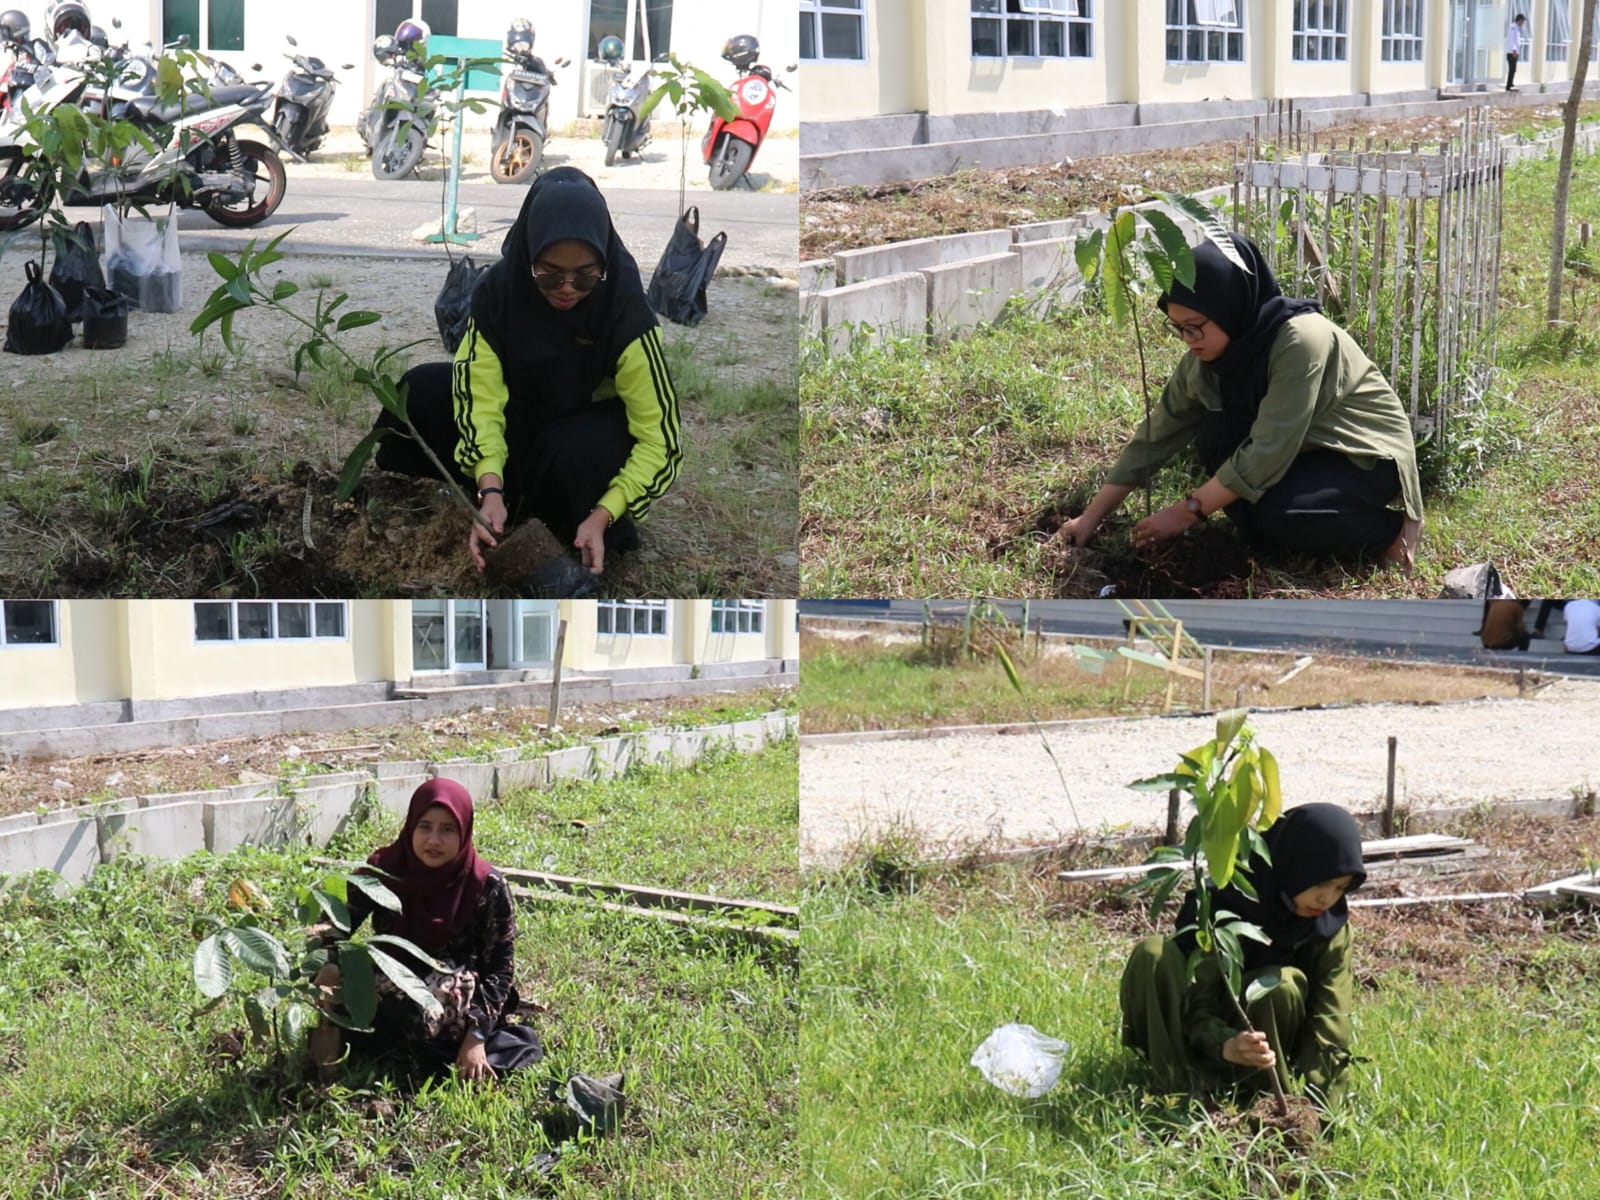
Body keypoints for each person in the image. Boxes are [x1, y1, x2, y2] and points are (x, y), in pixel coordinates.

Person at [372, 166, 681, 584]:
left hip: (572, 444)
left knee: (581, 448)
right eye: (549, 274)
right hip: (515, 428)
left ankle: (582, 526)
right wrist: (490, 488)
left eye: (586, 275)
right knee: (420, 390)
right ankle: (495, 504)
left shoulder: (625, 310)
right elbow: (480, 400)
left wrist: (605, 510)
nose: (568, 288)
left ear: (604, 262)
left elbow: (659, 440)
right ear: (527, 255)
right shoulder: (497, 295)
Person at [1061, 233, 1424, 571]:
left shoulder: (1301, 342)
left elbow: (1268, 449)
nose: (1187, 339)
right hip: (1301, 450)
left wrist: (1188, 511)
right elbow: (1156, 436)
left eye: (1194, 326)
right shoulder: (1207, 360)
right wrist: (1090, 518)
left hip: (1360, 454)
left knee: (1282, 513)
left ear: (1229, 308)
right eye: (1178, 328)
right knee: (1215, 440)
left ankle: (1391, 534)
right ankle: (1283, 529)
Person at [1119, 803, 1367, 1108]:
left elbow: (1331, 1022)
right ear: (1291, 863)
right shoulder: (1225, 904)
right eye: (1319, 882)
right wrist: (1226, 1045)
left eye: (1340, 887)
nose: (1326, 899)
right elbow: (1198, 1003)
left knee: (1280, 984)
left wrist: (1321, 1112)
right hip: (1195, 1030)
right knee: (1153, 953)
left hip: (1266, 1050)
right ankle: (1176, 1095)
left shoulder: (1330, 930)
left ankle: (1265, 1101)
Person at [308, 779, 539, 1080]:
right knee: (357, 990)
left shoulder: (486, 885)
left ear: (464, 831)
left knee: (436, 1020)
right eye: (425, 826)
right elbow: (334, 926)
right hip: (387, 980)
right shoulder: (382, 871)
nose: (434, 840)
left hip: (452, 993)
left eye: (447, 829)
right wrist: (330, 965)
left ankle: (422, 1048)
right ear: (410, 826)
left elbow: (500, 968)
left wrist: (476, 1037)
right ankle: (350, 1035)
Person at [1506, 14, 1527, 92]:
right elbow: (1511, 40)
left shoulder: (1517, 28)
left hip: (1515, 52)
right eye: (1522, 21)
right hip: (1511, 52)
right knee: (1512, 69)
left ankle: (1511, 84)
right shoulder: (1513, 27)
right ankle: (1509, 85)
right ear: (1519, 20)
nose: (1523, 23)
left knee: (1513, 69)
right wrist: (1514, 50)